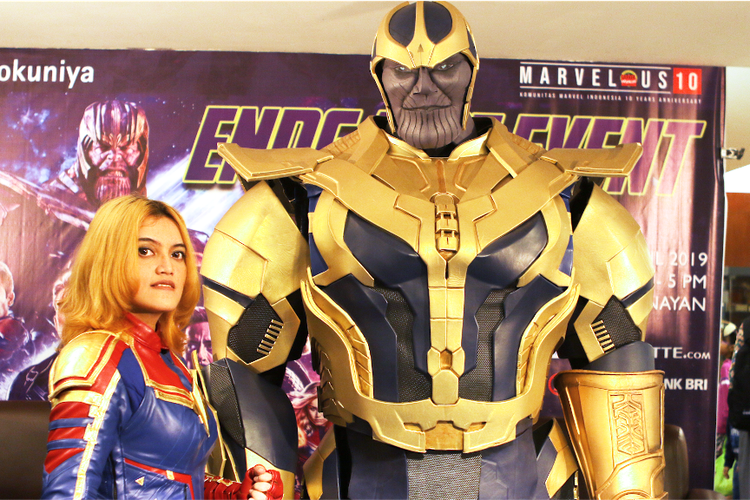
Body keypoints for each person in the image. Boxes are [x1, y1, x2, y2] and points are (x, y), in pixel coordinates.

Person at [200, 1, 664, 499]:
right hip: (361, 476)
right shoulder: (297, 198)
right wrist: (263, 491)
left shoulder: (567, 197)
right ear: (380, 77)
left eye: (443, 68)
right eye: (403, 71)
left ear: (471, 71)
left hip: (517, 477)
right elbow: (243, 375)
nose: (422, 87)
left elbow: (618, 366)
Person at [40, 195, 282, 500]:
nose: (167, 267)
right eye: (145, 251)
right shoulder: (96, 357)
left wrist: (232, 495)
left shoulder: (170, 362)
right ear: (107, 260)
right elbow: (68, 493)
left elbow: (170, 479)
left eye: (178, 254)